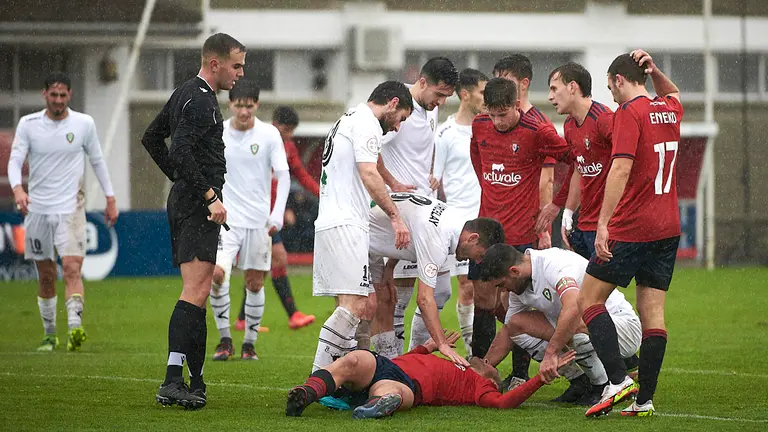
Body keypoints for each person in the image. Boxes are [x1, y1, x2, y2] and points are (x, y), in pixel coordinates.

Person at [142, 33, 245, 409]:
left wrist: (180, 179)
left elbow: (152, 137)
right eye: (236, 65)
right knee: (195, 291)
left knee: (199, 294)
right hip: (197, 205)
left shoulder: (186, 90)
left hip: (186, 200)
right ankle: (172, 380)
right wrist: (207, 195)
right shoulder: (200, 100)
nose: (240, 73)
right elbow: (181, 147)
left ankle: (195, 380)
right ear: (214, 64)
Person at [578, 49, 684, 418]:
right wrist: (655, 69)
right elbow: (675, 94)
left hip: (633, 226)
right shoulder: (667, 109)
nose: (613, 97)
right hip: (668, 226)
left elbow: (620, 169)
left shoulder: (629, 113)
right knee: (653, 312)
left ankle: (618, 380)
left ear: (620, 80)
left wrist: (603, 223)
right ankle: (644, 401)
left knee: (587, 300)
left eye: (612, 88)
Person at [469, 77, 574, 388]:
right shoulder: (479, 125)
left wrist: (555, 204)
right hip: (487, 231)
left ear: (517, 104)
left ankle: (518, 374)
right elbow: (478, 158)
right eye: (493, 115)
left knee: (521, 304)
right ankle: (478, 372)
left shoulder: (537, 129)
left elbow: (574, 160)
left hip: (519, 231)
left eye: (504, 114)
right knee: (484, 299)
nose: (498, 122)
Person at [8, 72, 119, 353]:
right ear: (45, 94)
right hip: (38, 210)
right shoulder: (28, 125)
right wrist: (18, 190)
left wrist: (110, 197)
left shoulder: (83, 124)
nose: (58, 100)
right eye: (53, 95)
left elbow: (97, 161)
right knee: (46, 275)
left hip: (71, 207)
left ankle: (74, 328)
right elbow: (15, 161)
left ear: (70, 95)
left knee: (71, 267)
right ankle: (49, 334)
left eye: (63, 95)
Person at [310, 81, 414, 374]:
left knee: (360, 306)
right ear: (392, 103)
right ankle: (318, 379)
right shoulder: (367, 123)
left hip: (333, 220)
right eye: (401, 119)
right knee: (356, 306)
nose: (397, 128)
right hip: (346, 224)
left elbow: (370, 164)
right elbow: (368, 172)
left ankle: (341, 379)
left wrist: (393, 184)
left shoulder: (349, 119)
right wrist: (395, 216)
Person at [478, 244, 641, 405]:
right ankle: (580, 381)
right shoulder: (520, 286)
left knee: (572, 323)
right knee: (516, 323)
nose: (504, 291)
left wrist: (551, 353)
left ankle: (601, 385)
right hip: (591, 329)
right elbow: (508, 330)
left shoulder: (553, 264)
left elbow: (573, 307)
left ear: (514, 271)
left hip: (623, 328)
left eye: (501, 285)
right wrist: (482, 369)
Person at [286, 330, 577, 418]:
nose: (490, 362)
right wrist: (426, 348)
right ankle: (305, 394)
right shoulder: (452, 360)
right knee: (353, 360)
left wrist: (541, 378)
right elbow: (409, 359)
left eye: (492, 368)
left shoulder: (480, 387)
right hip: (391, 367)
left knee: (392, 392)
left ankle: (375, 406)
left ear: (491, 380)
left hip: (409, 386)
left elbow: (504, 403)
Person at [377, 57, 458, 357]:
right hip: (401, 213)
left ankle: (413, 355)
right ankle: (395, 362)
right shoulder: (397, 110)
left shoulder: (429, 110)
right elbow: (370, 152)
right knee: (400, 294)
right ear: (422, 82)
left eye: (447, 96)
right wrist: (392, 183)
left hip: (429, 211)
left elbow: (424, 154)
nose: (442, 101)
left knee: (441, 292)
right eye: (439, 94)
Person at [203, 80, 290, 362]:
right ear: (230, 105)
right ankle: (225, 338)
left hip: (258, 222)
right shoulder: (218, 132)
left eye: (248, 105)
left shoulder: (269, 135)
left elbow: (284, 174)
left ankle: (249, 343)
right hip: (226, 219)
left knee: (254, 283)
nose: (243, 111)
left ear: (256, 105)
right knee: (217, 274)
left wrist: (277, 212)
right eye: (239, 105)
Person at [369, 193, 505, 365]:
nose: (476, 261)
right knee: (362, 307)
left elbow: (413, 227)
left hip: (376, 229)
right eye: (480, 255)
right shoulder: (438, 239)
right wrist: (441, 344)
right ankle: (389, 367)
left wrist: (390, 266)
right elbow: (424, 299)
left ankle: (412, 359)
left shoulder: (455, 222)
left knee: (441, 291)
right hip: (356, 234)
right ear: (473, 238)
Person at [232, 106, 316, 332]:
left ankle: (244, 319)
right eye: (286, 130)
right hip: (256, 214)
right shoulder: (258, 142)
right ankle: (289, 315)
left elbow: (298, 174)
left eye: (291, 132)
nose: (288, 136)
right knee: (273, 261)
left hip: (268, 216)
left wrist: (321, 193)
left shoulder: (287, 147)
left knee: (264, 265)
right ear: (275, 124)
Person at [432, 68, 488, 353]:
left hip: (490, 221)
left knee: (495, 291)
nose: (485, 97)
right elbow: (434, 179)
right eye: (481, 91)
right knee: (467, 286)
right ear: (465, 95)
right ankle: (472, 353)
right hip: (460, 224)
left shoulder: (490, 126)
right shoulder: (445, 133)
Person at [542, 62, 614, 260]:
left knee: (596, 290)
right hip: (584, 223)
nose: (550, 97)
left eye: (554, 89)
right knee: (585, 287)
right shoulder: (569, 125)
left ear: (572, 87)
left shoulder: (604, 119)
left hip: (607, 225)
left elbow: (627, 165)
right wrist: (568, 214)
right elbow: (578, 169)